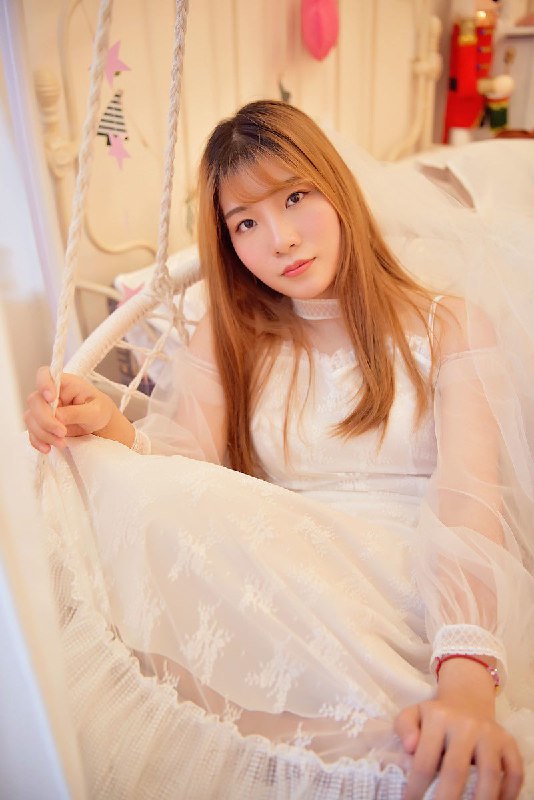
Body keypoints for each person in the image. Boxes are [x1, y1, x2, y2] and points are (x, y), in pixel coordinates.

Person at [25, 101, 534, 799]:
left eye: (296, 197)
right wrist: (106, 426)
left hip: (411, 581)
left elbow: (470, 503)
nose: (281, 239)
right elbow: (184, 473)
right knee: (96, 470)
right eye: (246, 223)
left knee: (412, 744)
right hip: (277, 574)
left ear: (336, 187)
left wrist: (468, 678)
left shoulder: (449, 325)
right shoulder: (231, 336)